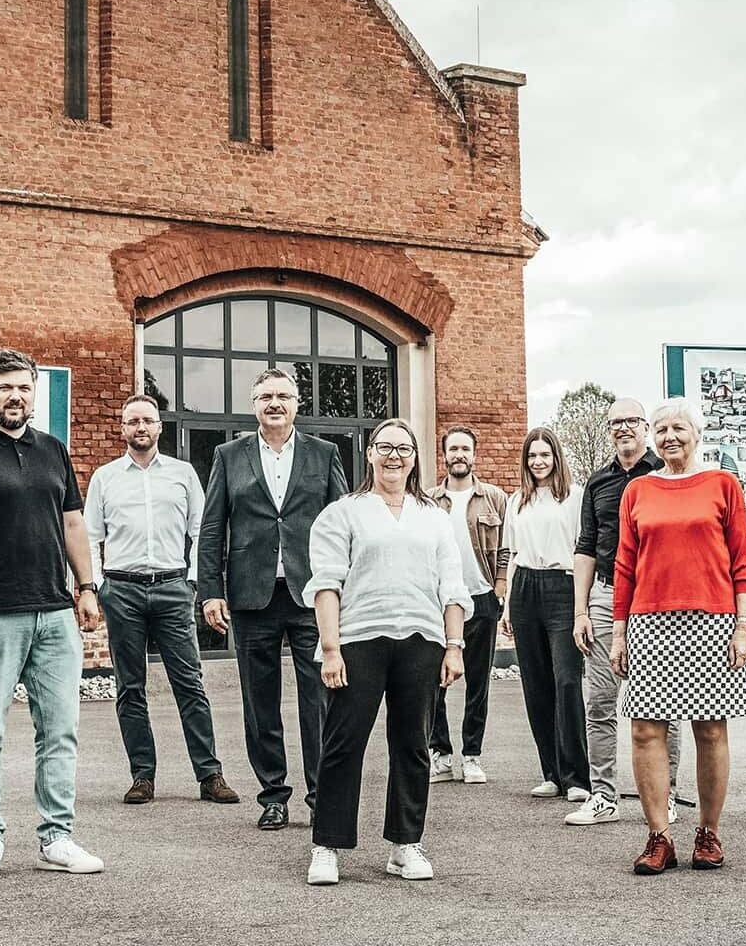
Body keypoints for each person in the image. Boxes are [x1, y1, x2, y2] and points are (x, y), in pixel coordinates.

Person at [0, 347, 106, 878]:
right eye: (5, 387)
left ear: (35, 393)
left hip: (55, 614)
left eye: (24, 387)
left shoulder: (54, 450)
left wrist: (87, 587)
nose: (15, 396)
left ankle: (57, 838)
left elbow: (74, 525)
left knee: (60, 731)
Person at [304, 419, 469, 885]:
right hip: (358, 639)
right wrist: (331, 648)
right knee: (343, 742)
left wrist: (454, 645)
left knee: (413, 745)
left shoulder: (433, 517)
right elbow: (326, 584)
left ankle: (405, 844)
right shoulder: (343, 513)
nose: (394, 456)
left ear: (415, 458)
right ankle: (327, 846)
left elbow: (451, 587)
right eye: (385, 447)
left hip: (421, 640)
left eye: (404, 448)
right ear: (370, 454)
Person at [198, 368, 349, 831]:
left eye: (284, 395)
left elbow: (345, 523)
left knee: (319, 698)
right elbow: (211, 528)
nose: (275, 403)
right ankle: (274, 794)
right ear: (254, 404)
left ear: (297, 403)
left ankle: (321, 792)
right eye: (266, 396)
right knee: (259, 700)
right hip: (251, 595)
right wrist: (210, 591)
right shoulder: (229, 455)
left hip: (311, 594)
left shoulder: (324, 455)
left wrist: (346, 588)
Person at [612, 398, 746, 874]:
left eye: (679, 428)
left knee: (711, 729)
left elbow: (743, 562)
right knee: (644, 729)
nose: (669, 436)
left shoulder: (723, 484)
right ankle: (659, 838)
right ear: (652, 437)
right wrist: (619, 633)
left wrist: (743, 626)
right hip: (649, 622)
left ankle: (709, 833)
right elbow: (624, 566)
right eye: (661, 429)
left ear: (696, 433)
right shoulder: (638, 490)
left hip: (713, 621)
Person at [85, 394, 240, 806]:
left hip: (172, 588)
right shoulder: (105, 477)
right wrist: (98, 585)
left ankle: (209, 775)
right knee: (129, 687)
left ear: (159, 428)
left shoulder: (183, 474)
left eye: (147, 421)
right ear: (122, 429)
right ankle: (142, 776)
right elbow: (89, 536)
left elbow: (202, 531)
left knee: (189, 683)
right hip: (123, 591)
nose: (140, 427)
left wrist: (192, 581)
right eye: (132, 420)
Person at [567, 397, 680, 828]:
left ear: (646, 427)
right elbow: (585, 548)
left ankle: (666, 796)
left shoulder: (664, 475)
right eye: (615, 423)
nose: (623, 428)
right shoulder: (598, 483)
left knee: (663, 704)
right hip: (604, 597)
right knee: (599, 702)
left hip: (655, 602)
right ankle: (603, 796)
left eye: (631, 421)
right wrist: (580, 611)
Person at [501, 427, 588, 803]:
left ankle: (577, 778)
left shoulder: (574, 497)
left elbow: (583, 551)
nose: (538, 462)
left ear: (556, 457)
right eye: (532, 456)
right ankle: (551, 773)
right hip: (524, 591)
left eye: (544, 455)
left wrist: (581, 606)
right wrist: (506, 607)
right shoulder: (516, 501)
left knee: (566, 681)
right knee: (535, 685)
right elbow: (514, 556)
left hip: (562, 586)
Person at [425, 425, 509, 787]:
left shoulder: (494, 498)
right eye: (453, 449)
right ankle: (440, 754)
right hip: (441, 601)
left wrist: (501, 587)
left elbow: (506, 547)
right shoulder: (428, 500)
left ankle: (471, 755)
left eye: (465, 449)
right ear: (444, 454)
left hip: (482, 597)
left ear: (474, 454)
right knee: (433, 681)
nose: (459, 455)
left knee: (479, 684)